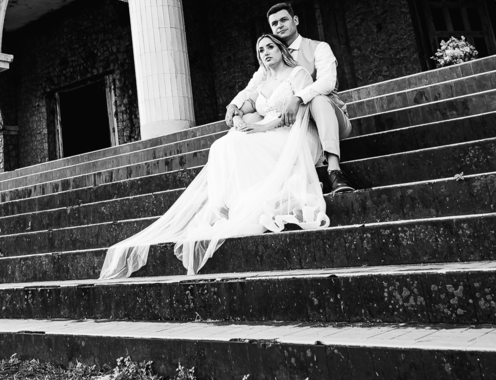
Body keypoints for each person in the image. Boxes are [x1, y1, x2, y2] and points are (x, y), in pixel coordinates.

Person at [99, 34, 327, 279]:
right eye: (261, 50)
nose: (266, 53)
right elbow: (247, 106)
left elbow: (301, 112)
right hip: (266, 132)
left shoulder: (298, 74)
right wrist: (237, 115)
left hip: (291, 134)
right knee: (221, 145)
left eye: (270, 47)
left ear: (282, 50)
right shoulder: (262, 83)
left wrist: (261, 128)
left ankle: (244, 201)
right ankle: (225, 205)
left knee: (244, 143)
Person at [225, 3, 354, 194]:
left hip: (327, 118)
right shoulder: (271, 58)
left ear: (295, 20)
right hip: (292, 124)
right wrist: (233, 106)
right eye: (274, 23)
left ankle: (334, 170)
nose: (279, 25)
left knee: (318, 99)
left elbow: (328, 82)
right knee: (251, 117)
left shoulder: (319, 47)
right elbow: (251, 89)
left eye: (284, 20)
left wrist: (298, 98)